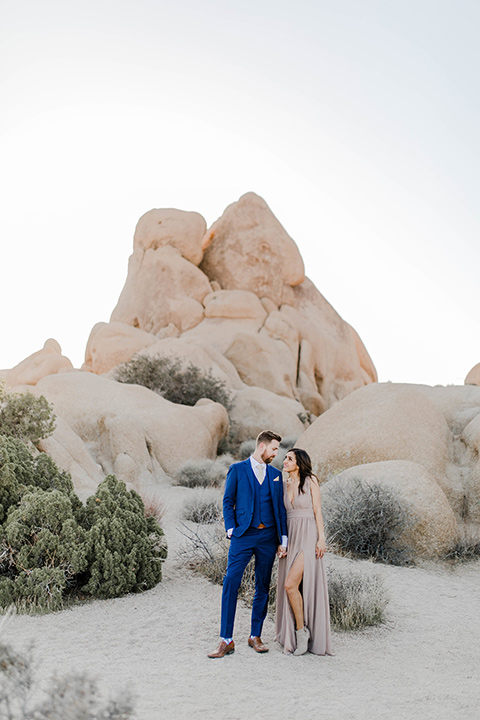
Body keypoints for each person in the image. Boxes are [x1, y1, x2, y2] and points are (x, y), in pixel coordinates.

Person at [208, 430, 288, 658]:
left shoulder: (275, 475)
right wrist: (231, 528)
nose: (275, 454)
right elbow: (228, 501)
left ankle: (255, 635)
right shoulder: (237, 469)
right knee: (230, 583)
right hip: (243, 536)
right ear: (262, 446)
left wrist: (283, 539)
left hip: (268, 538)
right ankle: (226, 639)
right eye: (274, 449)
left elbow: (280, 509)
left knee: (262, 586)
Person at [276, 447, 333, 656]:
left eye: (289, 458)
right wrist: (280, 542)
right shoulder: (282, 485)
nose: (285, 461)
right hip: (291, 537)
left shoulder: (311, 481)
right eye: (285, 458)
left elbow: (318, 511)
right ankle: (298, 630)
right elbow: (280, 516)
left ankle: (302, 632)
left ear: (299, 463)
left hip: (308, 536)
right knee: (292, 587)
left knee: (290, 584)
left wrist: (321, 539)